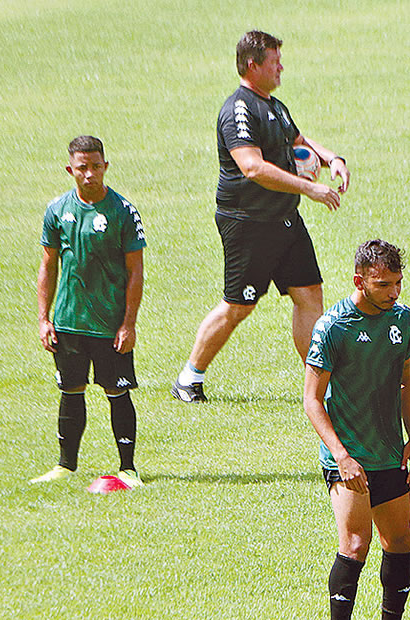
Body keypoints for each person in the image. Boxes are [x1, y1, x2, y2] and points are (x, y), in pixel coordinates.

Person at [172, 29, 351, 403]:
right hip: (247, 223)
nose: (281, 67)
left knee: (309, 295)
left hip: (284, 220)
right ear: (252, 65)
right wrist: (309, 188)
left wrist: (332, 158)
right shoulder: (238, 110)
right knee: (239, 306)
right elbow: (252, 167)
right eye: (275, 61)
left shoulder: (275, 106)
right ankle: (189, 378)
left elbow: (300, 143)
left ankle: (321, 385)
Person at [303, 239, 410, 620]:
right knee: (356, 545)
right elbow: (312, 401)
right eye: (383, 284)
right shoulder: (332, 326)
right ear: (360, 281)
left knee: (400, 541)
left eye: (397, 283)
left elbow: (405, 380)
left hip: (389, 452)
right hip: (349, 456)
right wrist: (340, 455)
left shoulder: (402, 319)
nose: (394, 292)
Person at [32, 136, 146, 486]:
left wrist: (128, 324)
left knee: (117, 392)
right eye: (82, 167)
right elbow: (48, 267)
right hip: (69, 323)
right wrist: (44, 319)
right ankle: (66, 465)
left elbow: (135, 272)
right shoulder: (57, 211)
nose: (89, 174)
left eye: (96, 166)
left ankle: (128, 468)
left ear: (105, 167)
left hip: (110, 325)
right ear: (71, 169)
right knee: (71, 390)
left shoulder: (123, 211)